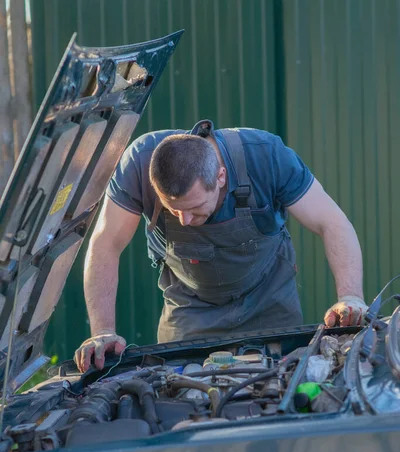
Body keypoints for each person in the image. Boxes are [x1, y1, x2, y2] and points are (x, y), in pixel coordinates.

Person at [74, 119, 367, 373]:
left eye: (195, 208)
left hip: (268, 301)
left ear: (221, 177)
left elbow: (332, 223)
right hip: (189, 308)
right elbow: (105, 244)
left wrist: (351, 296)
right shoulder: (138, 162)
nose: (185, 220)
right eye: (173, 210)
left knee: (283, 386)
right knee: (176, 394)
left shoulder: (266, 156)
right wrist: (102, 331)